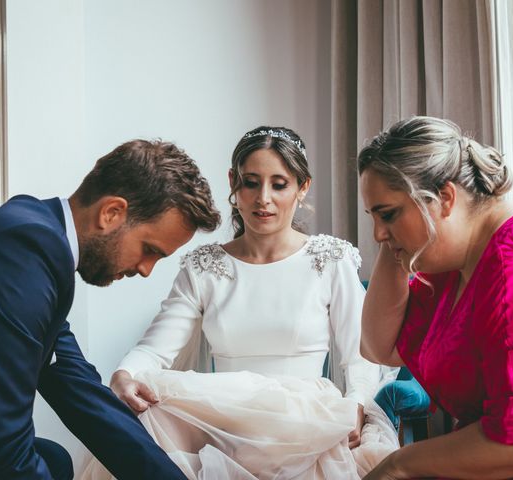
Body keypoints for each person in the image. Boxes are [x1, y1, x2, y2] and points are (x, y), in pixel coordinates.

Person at [83, 126, 399, 480]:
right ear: (233, 182)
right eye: (251, 182)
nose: (263, 198)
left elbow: (362, 351)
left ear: (302, 187)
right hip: (223, 423)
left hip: (303, 423)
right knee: (147, 415)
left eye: (279, 184)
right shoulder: (204, 266)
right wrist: (124, 374)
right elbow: (156, 349)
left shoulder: (330, 258)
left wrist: (356, 402)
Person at [0, 139, 221, 479]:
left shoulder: (41, 244)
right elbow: (1, 445)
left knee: (56, 460)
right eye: (149, 249)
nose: (146, 269)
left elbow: (80, 391)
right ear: (111, 213)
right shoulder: (24, 253)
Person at [358, 116, 513, 479]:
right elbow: (378, 347)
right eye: (373, 216)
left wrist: (400, 463)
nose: (377, 234)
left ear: (445, 198)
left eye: (388, 214)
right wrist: (398, 237)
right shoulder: (455, 262)